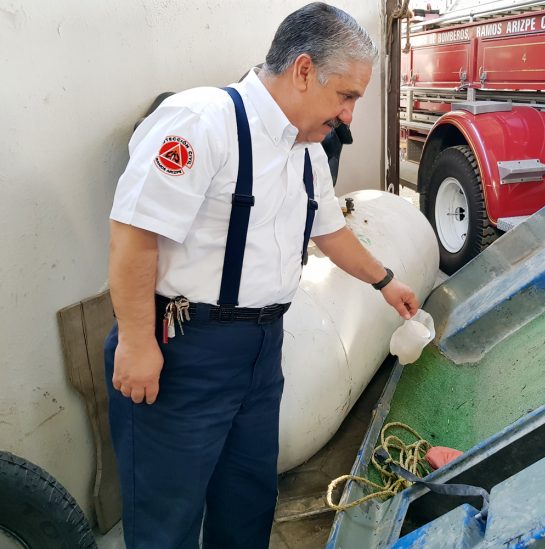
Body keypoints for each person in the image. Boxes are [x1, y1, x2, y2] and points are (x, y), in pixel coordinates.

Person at [104, 3, 419, 548]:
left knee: (248, 499)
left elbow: (330, 231)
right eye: (347, 96)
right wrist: (135, 341)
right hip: (184, 353)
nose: (349, 115)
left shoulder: (306, 148)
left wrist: (385, 280)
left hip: (261, 352)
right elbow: (135, 235)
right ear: (303, 71)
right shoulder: (202, 122)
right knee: (167, 516)